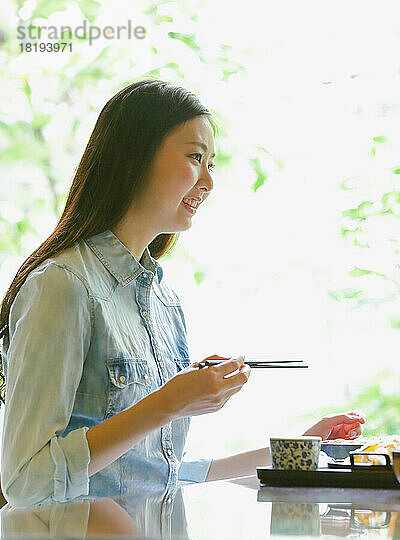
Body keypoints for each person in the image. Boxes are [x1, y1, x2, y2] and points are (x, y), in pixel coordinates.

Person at [0, 80, 365, 508]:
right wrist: (168, 403)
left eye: (212, 163)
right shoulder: (62, 285)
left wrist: (300, 448)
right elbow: (25, 481)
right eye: (195, 157)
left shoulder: (163, 300)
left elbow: (162, 476)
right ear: (134, 156)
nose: (208, 181)